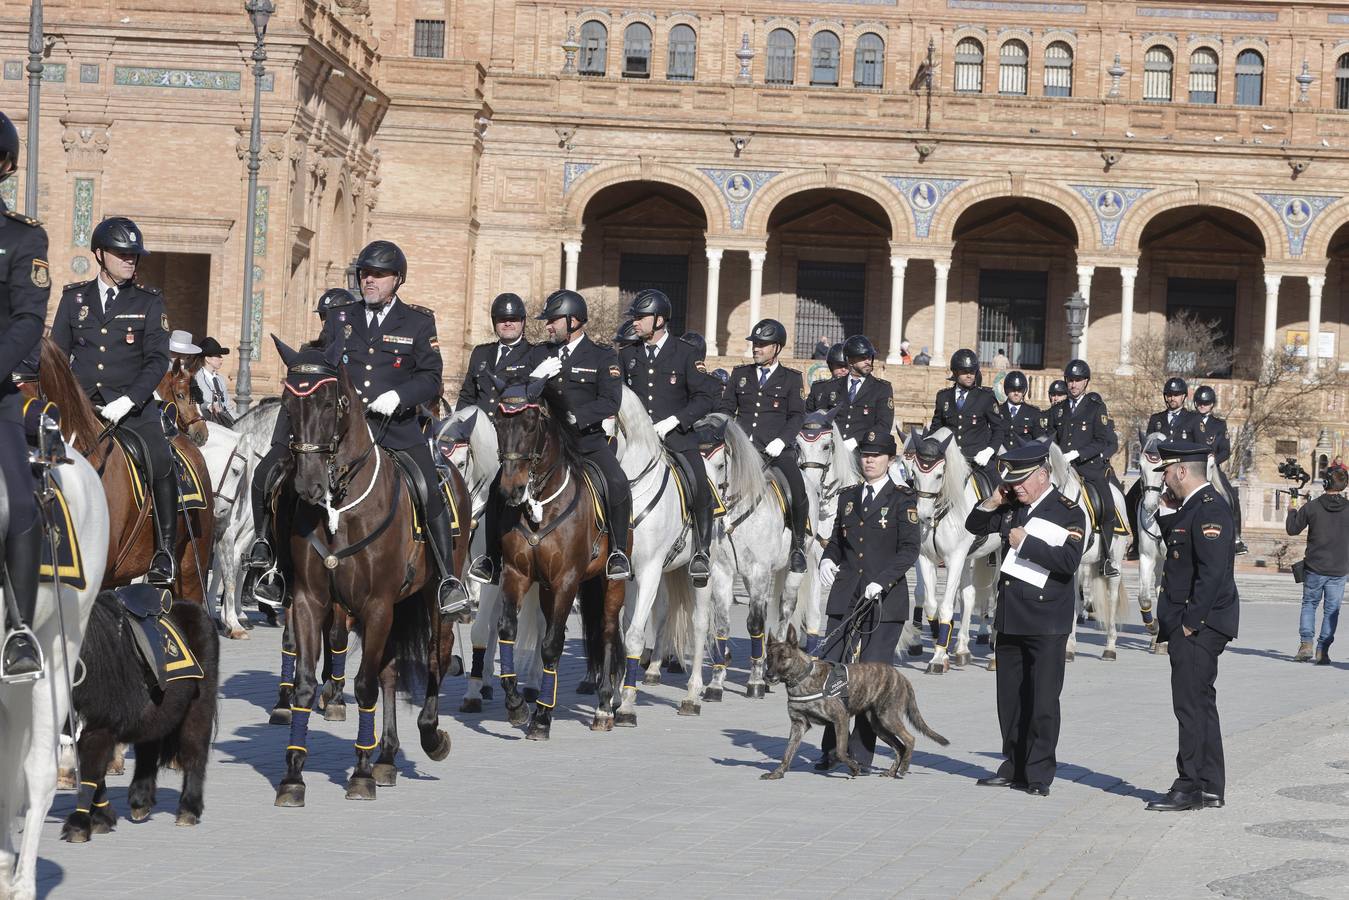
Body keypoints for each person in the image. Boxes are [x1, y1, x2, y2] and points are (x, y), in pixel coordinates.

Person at [316, 241, 469, 616]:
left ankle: (447, 578)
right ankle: (275, 565)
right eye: (364, 273)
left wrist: (399, 396)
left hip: (395, 430)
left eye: (379, 275)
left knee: (429, 488)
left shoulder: (417, 322)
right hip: (344, 432)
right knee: (296, 481)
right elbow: (323, 368)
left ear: (397, 280)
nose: (369, 280)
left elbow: (432, 377)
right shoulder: (340, 318)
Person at [469, 289, 633, 582]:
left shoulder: (602, 355)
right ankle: (492, 559)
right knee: (499, 487)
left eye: (553, 320)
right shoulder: (538, 354)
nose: (547, 326)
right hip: (542, 447)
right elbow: (515, 391)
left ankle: (618, 552)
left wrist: (574, 417)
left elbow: (610, 401)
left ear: (574, 321)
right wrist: (536, 377)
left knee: (618, 483)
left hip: (586, 442)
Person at [50, 216, 177, 587]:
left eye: (134, 255)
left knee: (160, 457)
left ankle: (165, 551)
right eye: (122, 254)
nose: (130, 260)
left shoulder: (150, 301)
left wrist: (130, 399)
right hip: (81, 405)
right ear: (100, 255)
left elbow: (158, 359)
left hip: (131, 407)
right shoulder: (74, 299)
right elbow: (58, 354)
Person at [966, 443, 1086, 796]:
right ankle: (1013, 765)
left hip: (1047, 619)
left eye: (1021, 480)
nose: (1016, 486)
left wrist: (1025, 543)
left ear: (1042, 475)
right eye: (1012, 481)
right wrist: (993, 500)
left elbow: (1067, 562)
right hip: (1011, 616)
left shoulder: (1067, 511)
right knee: (1011, 699)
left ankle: (1038, 773)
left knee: (1043, 700)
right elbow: (974, 524)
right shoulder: (1011, 506)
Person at [243, 287, 356, 604]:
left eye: (333, 316)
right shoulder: (310, 352)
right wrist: (286, 439)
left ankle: (438, 570)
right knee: (265, 473)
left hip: (357, 430)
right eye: (324, 317)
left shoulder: (363, 350)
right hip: (304, 430)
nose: (328, 323)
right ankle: (268, 551)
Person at [815, 430, 920, 773]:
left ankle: (859, 755)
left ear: (890, 460)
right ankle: (831, 750)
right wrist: (827, 559)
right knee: (834, 674)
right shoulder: (848, 497)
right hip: (847, 595)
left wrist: (882, 580)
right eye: (865, 454)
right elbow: (836, 542)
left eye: (877, 455)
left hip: (883, 601)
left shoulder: (903, 500)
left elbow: (909, 550)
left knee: (870, 678)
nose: (869, 460)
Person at [1145, 441, 1239, 812]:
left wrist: (1190, 623)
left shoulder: (1210, 507)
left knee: (1189, 706)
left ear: (1182, 471)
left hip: (1200, 624)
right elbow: (1183, 552)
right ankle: (1211, 785)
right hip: (1196, 621)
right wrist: (1168, 515)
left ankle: (1190, 786)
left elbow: (1213, 572)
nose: (1164, 479)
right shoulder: (1191, 508)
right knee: (1200, 703)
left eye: (1167, 472)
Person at [0, 109, 52, 681]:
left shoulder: (21, 237)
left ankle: (18, 628)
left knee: (18, 502)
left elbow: (26, 322)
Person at [618, 290, 717, 586]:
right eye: (634, 318)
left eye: (640, 317)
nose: (635, 323)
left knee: (700, 482)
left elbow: (705, 397)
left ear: (659, 320)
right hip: (634, 443)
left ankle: (701, 551)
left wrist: (675, 420)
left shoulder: (685, 353)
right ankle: (613, 551)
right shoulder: (627, 355)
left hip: (675, 438)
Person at [717, 318, 809, 573]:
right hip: (741, 452)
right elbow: (725, 409)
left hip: (775, 451)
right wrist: (732, 436)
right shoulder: (740, 374)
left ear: (777, 348)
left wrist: (782, 440)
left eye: (762, 345)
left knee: (797, 490)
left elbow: (797, 416)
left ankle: (798, 547)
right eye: (755, 344)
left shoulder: (791, 378)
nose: (756, 348)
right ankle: (704, 543)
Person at [1049, 359, 1119, 577]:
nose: (1073, 385)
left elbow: (1102, 440)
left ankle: (1106, 559)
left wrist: (1078, 453)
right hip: (1061, 470)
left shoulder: (1096, 408)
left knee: (1107, 508)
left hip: (1089, 470)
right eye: (1070, 380)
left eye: (1078, 380)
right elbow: (1048, 437)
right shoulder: (1058, 410)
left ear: (1086, 382)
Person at [1127, 377, 1202, 559]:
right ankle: (1137, 541)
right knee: (1130, 498)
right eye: (1168, 395)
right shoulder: (1156, 419)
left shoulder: (1193, 419)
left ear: (1184, 396)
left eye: (1176, 395)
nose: (1171, 398)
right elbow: (1149, 448)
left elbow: (1200, 449)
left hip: (1182, 474)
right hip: (1158, 473)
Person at [1286, 466, 1349, 665]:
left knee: (1309, 604)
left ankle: (1306, 644)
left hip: (1314, 566)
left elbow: (1292, 529)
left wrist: (1292, 508)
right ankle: (1323, 649)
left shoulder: (1312, 507)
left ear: (1326, 484)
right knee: (1332, 610)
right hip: (1339, 569)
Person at [455, 292, 540, 420]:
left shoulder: (534, 354)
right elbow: (467, 396)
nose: (507, 323)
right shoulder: (480, 353)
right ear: (494, 322)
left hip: (511, 434)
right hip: (479, 432)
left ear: (523, 322)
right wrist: (458, 427)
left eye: (513, 319)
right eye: (502, 319)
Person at [930, 348, 1006, 478]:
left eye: (972, 371)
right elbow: (936, 428)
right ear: (955, 372)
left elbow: (998, 429)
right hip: (949, 461)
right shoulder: (943, 397)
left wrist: (989, 451)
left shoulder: (985, 397)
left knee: (1000, 493)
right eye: (965, 372)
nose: (969, 375)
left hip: (977, 461)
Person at [1193, 385, 1246, 555]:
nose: (1202, 406)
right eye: (1200, 402)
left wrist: (1213, 460)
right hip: (1190, 467)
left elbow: (1225, 450)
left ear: (1212, 404)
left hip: (1211, 467)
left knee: (1231, 496)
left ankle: (1237, 538)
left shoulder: (1219, 425)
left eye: (1206, 403)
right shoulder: (1188, 421)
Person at [820, 335, 894, 450]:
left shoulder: (881, 389)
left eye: (870, 357)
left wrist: (854, 442)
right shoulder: (832, 387)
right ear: (850, 360)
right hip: (831, 452)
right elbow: (820, 419)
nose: (868, 361)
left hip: (861, 452)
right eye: (863, 357)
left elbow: (883, 425)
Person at [194, 337, 237, 426]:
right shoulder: (197, 378)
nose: (221, 359)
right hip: (208, 423)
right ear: (207, 359)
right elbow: (196, 402)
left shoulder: (220, 379)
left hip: (224, 421)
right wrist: (209, 406)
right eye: (218, 356)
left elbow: (228, 407)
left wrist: (238, 422)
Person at [1001, 370, 1048, 448]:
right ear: (1006, 390)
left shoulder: (1033, 413)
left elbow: (1040, 439)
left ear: (1024, 391)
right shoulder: (998, 411)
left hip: (1023, 457)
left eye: (1019, 390)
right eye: (1013, 389)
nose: (1016, 393)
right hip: (1002, 457)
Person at [806, 343, 849, 412]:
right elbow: (808, 414)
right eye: (839, 366)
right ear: (831, 366)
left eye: (847, 366)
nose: (843, 369)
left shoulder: (855, 389)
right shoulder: (818, 388)